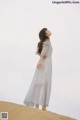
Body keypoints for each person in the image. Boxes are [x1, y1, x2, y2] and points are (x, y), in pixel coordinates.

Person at [23, 28, 53, 111]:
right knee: (42, 84)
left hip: (46, 65)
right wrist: (40, 62)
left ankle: (40, 105)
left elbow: (44, 54)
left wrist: (40, 61)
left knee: (41, 84)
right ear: (46, 34)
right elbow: (43, 54)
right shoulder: (46, 42)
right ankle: (41, 106)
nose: (49, 30)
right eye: (47, 30)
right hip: (45, 65)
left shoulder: (47, 42)